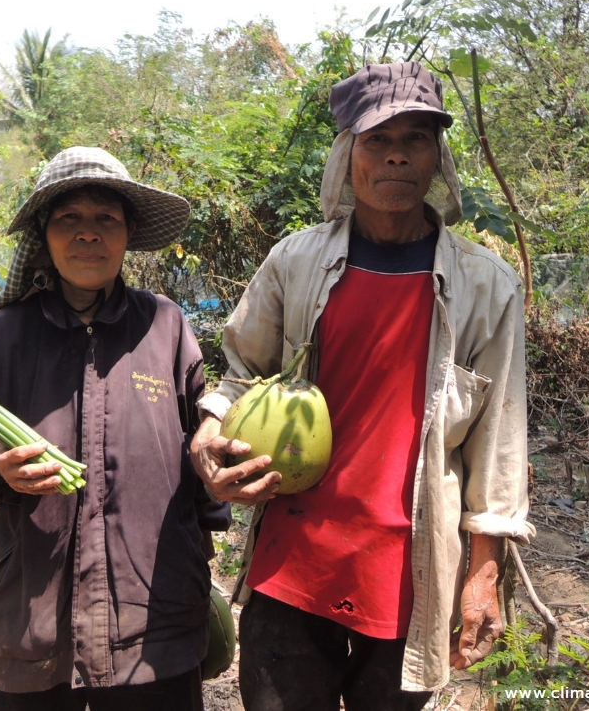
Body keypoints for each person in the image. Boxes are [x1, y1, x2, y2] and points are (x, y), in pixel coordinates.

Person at [191, 62, 536, 710]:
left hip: (410, 574)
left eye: (416, 139)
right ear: (348, 155)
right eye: (378, 140)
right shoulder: (295, 262)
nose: (397, 156)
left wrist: (484, 572)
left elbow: (499, 442)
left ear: (438, 156)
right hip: (295, 563)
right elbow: (242, 372)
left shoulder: (486, 286)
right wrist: (211, 427)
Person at [0, 146, 231, 711]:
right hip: (35, 606)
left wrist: (205, 540)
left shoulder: (164, 325)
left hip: (156, 606)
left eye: (106, 219)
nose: (88, 234)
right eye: (68, 218)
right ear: (44, 235)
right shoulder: (8, 333)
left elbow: (200, 437)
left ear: (128, 234)